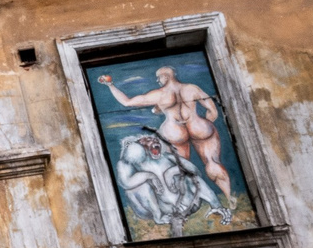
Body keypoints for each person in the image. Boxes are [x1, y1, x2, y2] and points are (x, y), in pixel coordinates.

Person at [99, 66, 236, 203]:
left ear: (166, 76)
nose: (158, 81)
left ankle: (189, 202)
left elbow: (127, 102)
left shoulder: (159, 94)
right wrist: (204, 126)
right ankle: (230, 199)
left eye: (159, 78)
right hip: (198, 125)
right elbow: (212, 110)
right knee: (213, 162)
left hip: (174, 131)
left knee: (181, 168)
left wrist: (110, 85)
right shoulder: (192, 88)